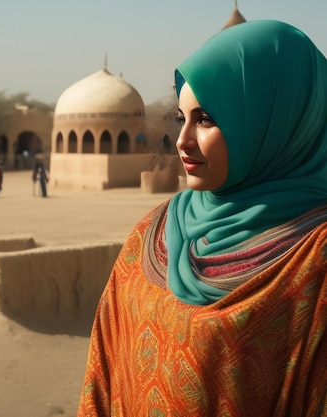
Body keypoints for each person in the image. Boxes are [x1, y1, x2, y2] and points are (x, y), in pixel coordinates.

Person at [78, 20, 327, 416]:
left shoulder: (313, 258)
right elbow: (104, 378)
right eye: (182, 118)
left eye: (207, 118)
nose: (182, 140)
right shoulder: (152, 234)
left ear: (274, 121)